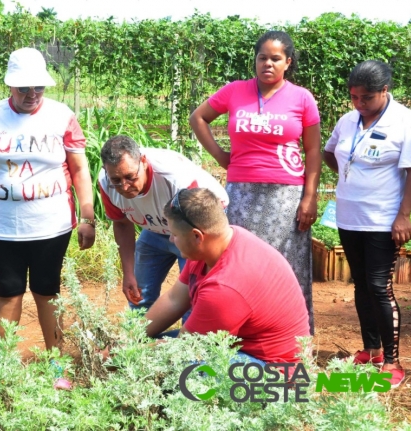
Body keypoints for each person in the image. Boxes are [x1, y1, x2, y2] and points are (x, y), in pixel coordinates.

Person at [0, 47, 95, 350]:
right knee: (8, 291)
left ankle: (56, 363)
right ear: (10, 85)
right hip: (3, 223)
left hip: (51, 223)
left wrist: (87, 218)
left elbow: (80, 169)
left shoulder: (62, 116)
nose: (32, 93)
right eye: (24, 87)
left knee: (47, 291)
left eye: (38, 86)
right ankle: (5, 366)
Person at [189, 30, 321, 334]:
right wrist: (222, 156)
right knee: (236, 263)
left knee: (287, 266)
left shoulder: (301, 98)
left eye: (276, 59)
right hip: (242, 194)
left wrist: (309, 197)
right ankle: (236, 333)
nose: (268, 64)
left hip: (286, 196)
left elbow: (313, 149)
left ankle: (293, 338)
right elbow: (198, 118)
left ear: (288, 62)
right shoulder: (235, 91)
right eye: (262, 57)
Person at [323, 60, 411, 388]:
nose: (359, 104)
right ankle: (371, 350)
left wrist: (404, 215)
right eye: (353, 97)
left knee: (380, 287)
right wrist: (352, 181)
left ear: (384, 91)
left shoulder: (406, 122)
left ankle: (393, 362)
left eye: (366, 98)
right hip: (349, 217)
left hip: (383, 220)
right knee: (361, 285)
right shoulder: (348, 120)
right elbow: (330, 153)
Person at [145, 188, 310, 364]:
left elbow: (183, 348)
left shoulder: (225, 286)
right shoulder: (216, 244)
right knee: (149, 343)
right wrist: (128, 339)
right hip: (240, 348)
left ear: (197, 236)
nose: (171, 239)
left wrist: (126, 354)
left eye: (175, 234)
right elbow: (174, 299)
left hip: (275, 371)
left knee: (180, 365)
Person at [99, 135, 229, 313]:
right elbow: (122, 224)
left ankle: (190, 339)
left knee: (192, 295)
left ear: (143, 162)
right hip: (156, 228)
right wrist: (128, 273)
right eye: (116, 180)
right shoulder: (106, 183)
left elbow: (201, 228)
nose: (124, 186)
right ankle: (139, 338)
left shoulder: (175, 179)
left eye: (130, 177)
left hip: (196, 228)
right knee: (139, 292)